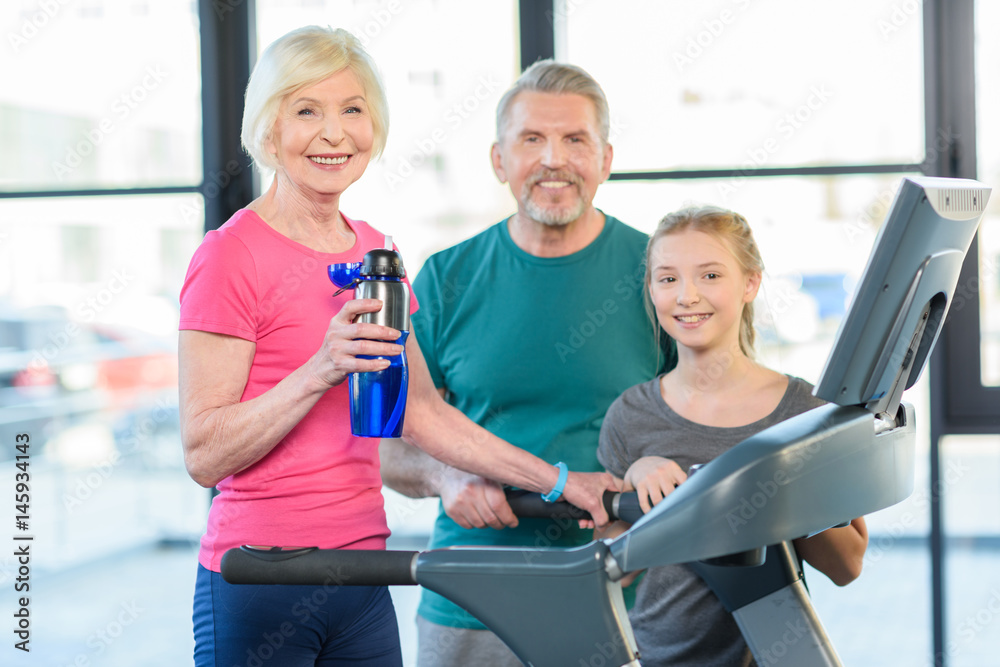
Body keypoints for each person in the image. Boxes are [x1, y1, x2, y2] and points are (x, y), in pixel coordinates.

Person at [178, 27, 617, 667]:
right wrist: (320, 370)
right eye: (307, 110)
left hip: (362, 574)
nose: (334, 132)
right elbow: (205, 454)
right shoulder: (229, 255)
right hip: (260, 577)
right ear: (269, 128)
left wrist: (557, 481)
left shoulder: (374, 250)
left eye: (352, 110)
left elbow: (426, 415)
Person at [378, 60, 676, 666]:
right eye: (532, 140)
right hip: (473, 595)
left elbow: (704, 420)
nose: (553, 159)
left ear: (606, 159)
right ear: (499, 160)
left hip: (626, 591)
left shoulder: (659, 273)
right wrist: (445, 477)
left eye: (575, 140)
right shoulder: (444, 278)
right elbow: (388, 444)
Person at [596, 205, 869, 666]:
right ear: (651, 290)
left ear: (750, 282)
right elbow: (615, 572)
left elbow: (848, 565)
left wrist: (780, 493)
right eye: (667, 279)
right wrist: (634, 479)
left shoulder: (804, 412)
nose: (686, 296)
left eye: (709, 276)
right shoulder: (631, 415)